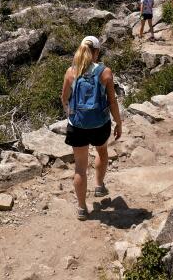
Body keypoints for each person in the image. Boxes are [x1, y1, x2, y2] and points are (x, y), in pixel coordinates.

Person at [61, 36, 123, 221]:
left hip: (77, 125)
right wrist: (118, 122)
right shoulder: (105, 72)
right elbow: (112, 101)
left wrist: (70, 114)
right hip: (100, 123)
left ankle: (81, 208)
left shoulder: (71, 72)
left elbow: (64, 98)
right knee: (102, 151)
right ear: (96, 52)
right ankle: (99, 185)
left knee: (80, 168)